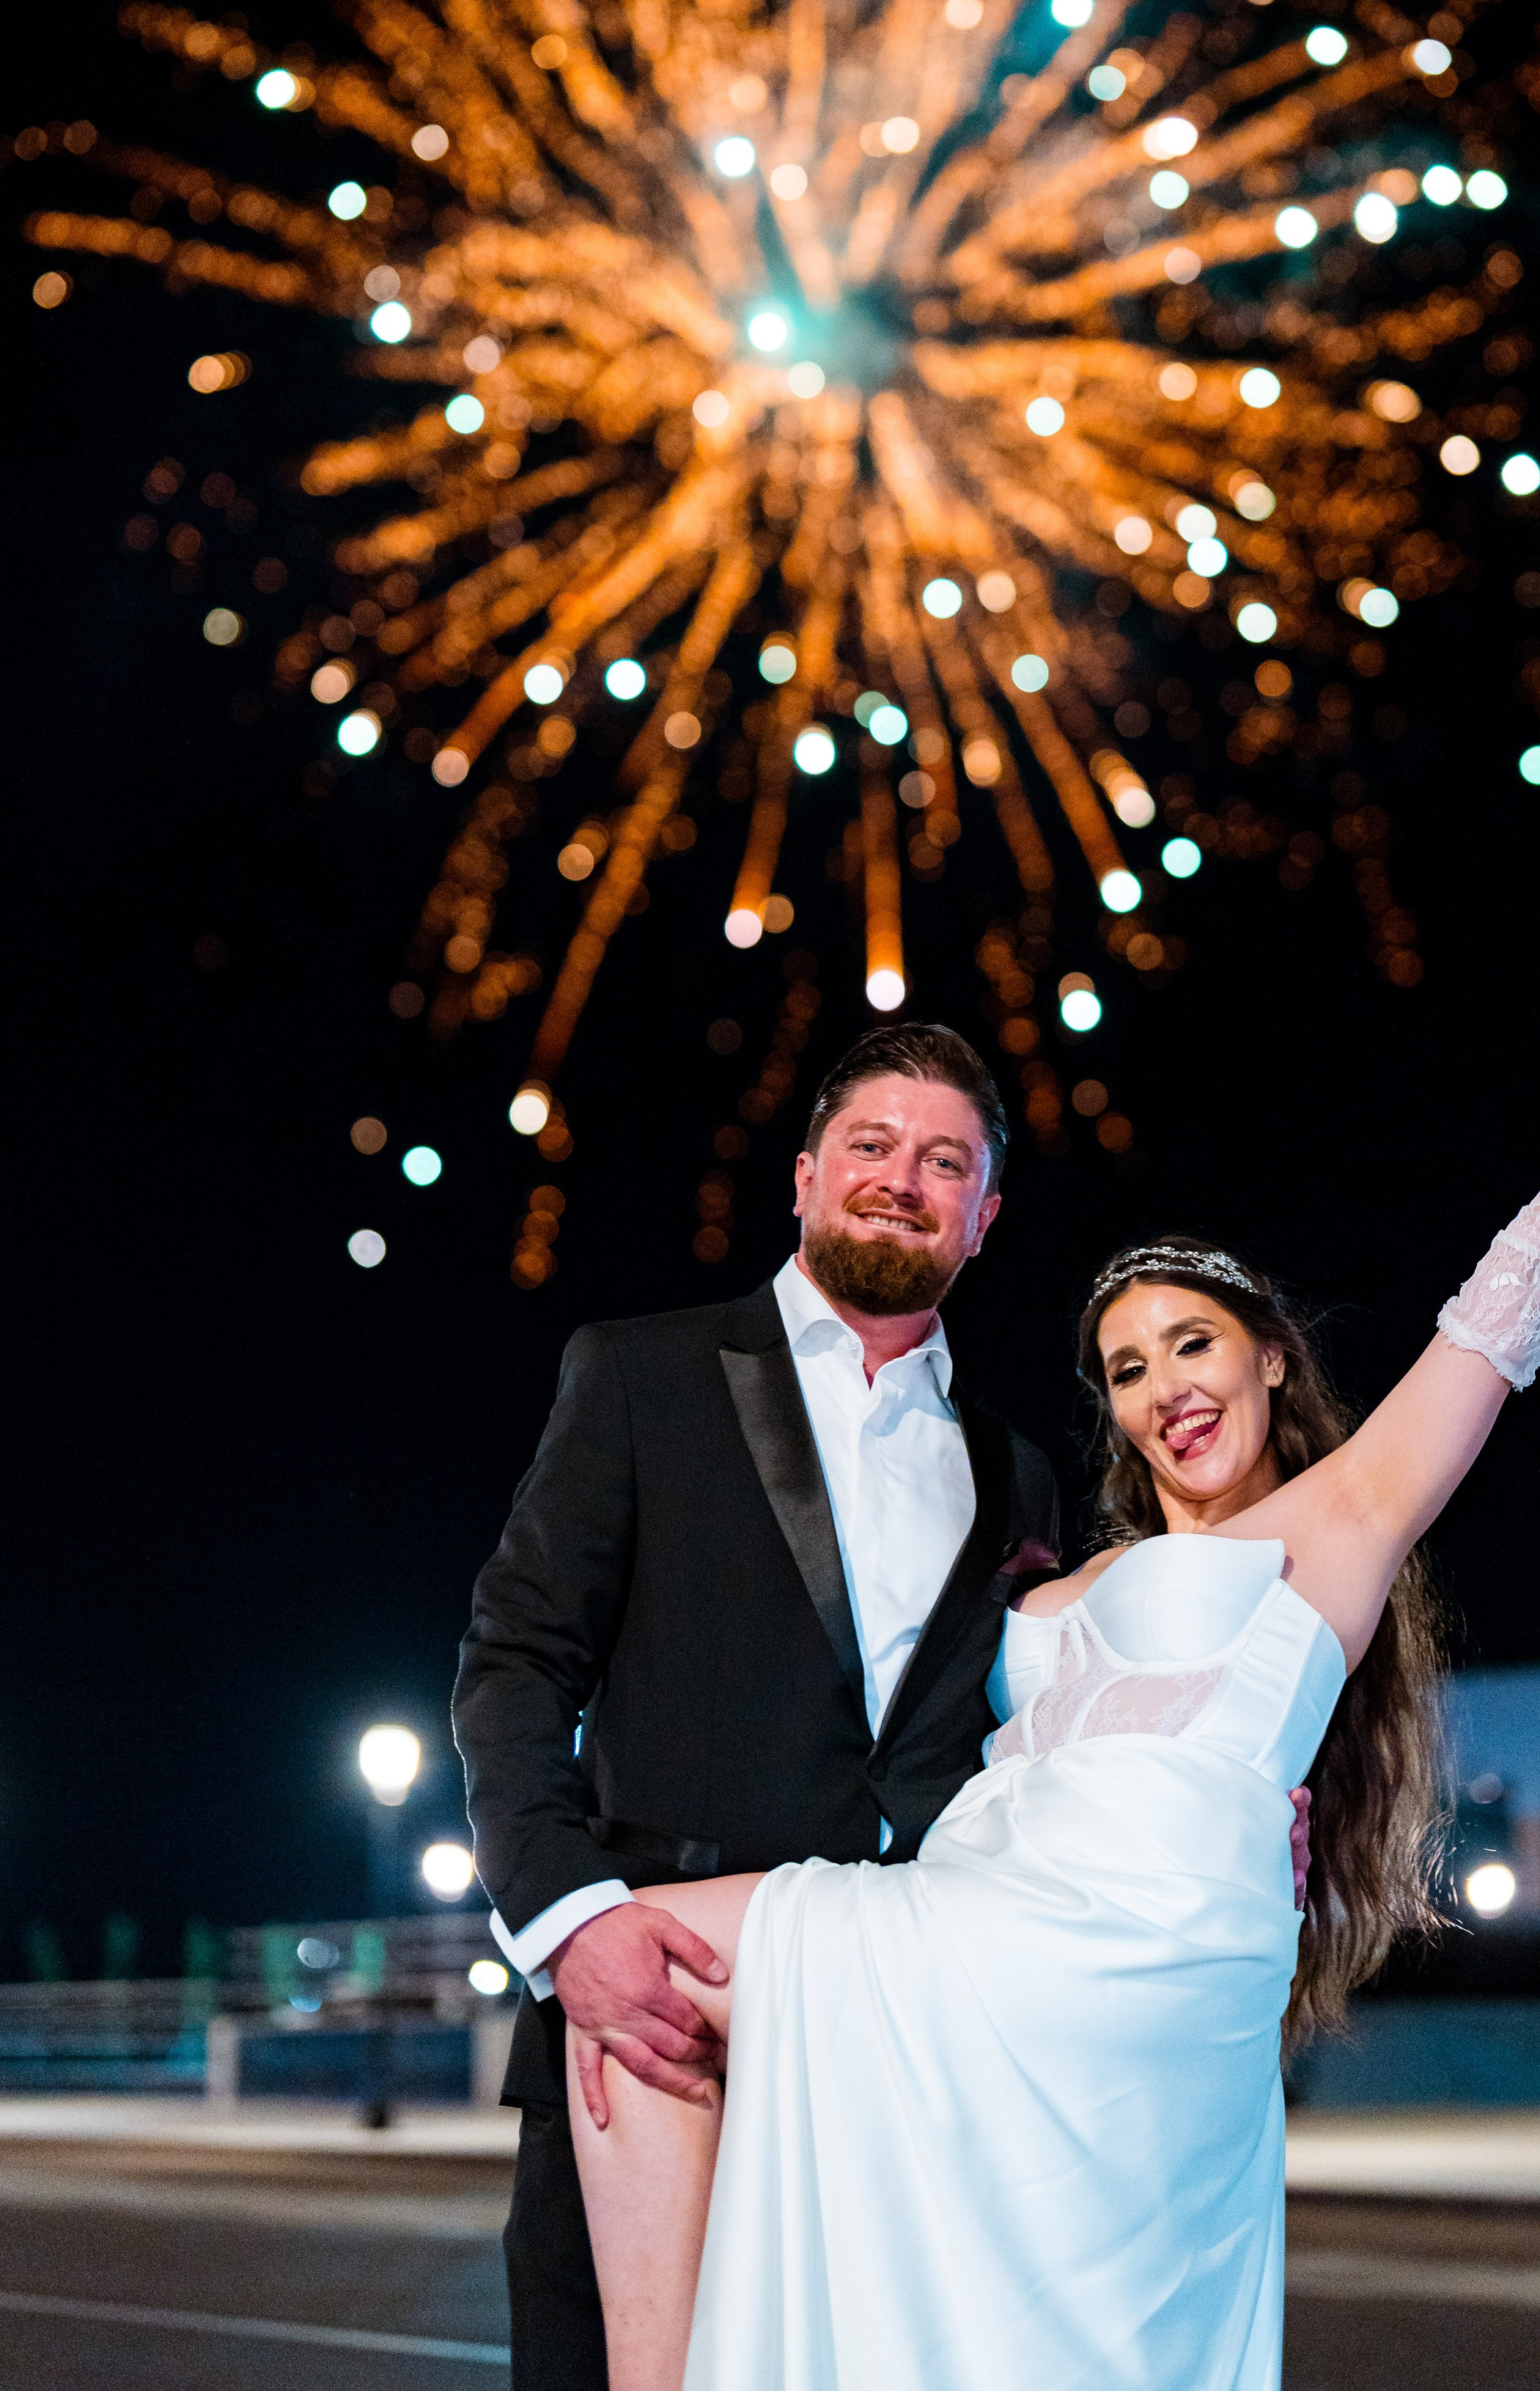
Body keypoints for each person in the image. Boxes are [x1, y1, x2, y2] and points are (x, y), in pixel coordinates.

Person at [564, 883, 1540, 2391]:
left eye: (1189, 1343)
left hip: (1127, 1950)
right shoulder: (1059, 1577)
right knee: (626, 1961)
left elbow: (1526, 1271)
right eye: (1122, 1368)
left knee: (639, 1941)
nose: (1160, 1383)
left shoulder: (1338, 1523)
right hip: (980, 1914)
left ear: (1268, 1359)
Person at [457, 1023, 1312, 2386]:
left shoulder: (1016, 1473)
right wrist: (570, 1922)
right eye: (871, 1145)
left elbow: (1045, 1729)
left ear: (981, 1221)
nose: (899, 1179)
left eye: (943, 1163)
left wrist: (1219, 1800)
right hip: (662, 2022)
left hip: (903, 2062)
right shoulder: (640, 1373)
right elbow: (513, 1665)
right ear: (803, 1177)